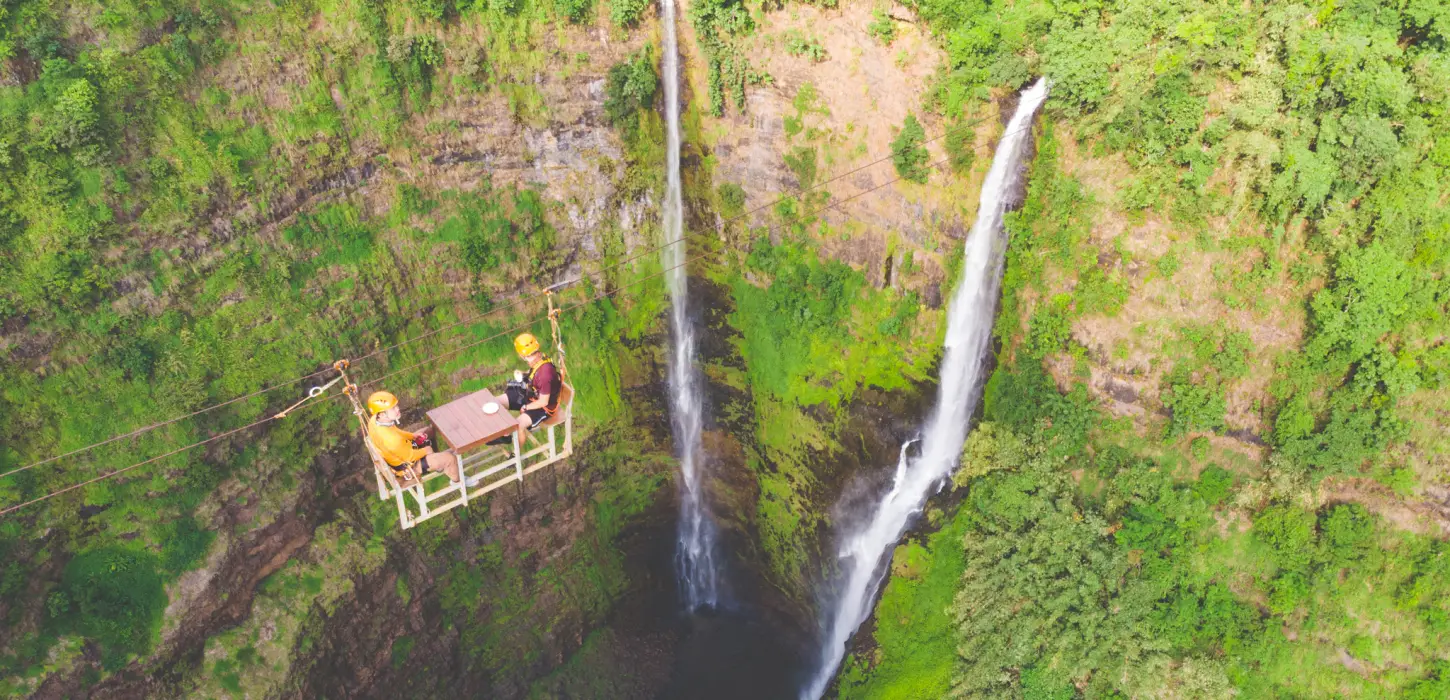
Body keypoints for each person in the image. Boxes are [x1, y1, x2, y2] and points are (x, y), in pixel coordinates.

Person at [366, 391, 460, 483]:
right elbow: (411, 456)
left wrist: (413, 436)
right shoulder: (393, 440)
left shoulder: (375, 421)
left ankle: (437, 462)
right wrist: (426, 450)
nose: (397, 409)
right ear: (382, 414)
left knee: (428, 431)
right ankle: (456, 481)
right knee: (450, 459)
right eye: (393, 408)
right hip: (410, 466)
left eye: (396, 406)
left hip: (403, 451)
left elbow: (397, 432)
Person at [509, 332, 562, 446]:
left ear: (521, 355)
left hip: (544, 407)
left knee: (518, 426)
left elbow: (543, 402)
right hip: (534, 395)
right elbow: (534, 372)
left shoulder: (545, 375)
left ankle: (515, 453)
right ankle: (502, 432)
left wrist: (526, 407)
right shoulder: (540, 357)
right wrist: (523, 374)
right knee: (506, 396)